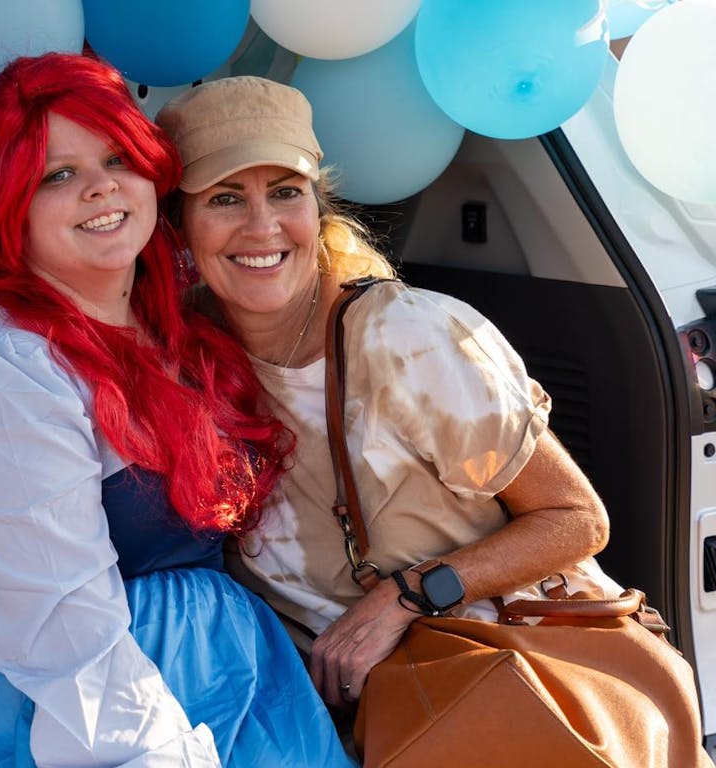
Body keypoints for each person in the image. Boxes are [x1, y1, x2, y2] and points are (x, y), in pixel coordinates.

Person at [0, 55, 355, 768]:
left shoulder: (176, 333)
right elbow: (67, 649)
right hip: (17, 718)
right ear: (4, 209)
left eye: (116, 157)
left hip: (220, 687)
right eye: (57, 175)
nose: (102, 187)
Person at [156, 76, 622, 709]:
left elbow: (575, 520)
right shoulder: (177, 354)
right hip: (317, 708)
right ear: (178, 225)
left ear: (317, 210)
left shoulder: (412, 338)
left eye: (286, 193)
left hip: (485, 682)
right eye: (225, 198)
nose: (262, 226)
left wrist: (406, 595)